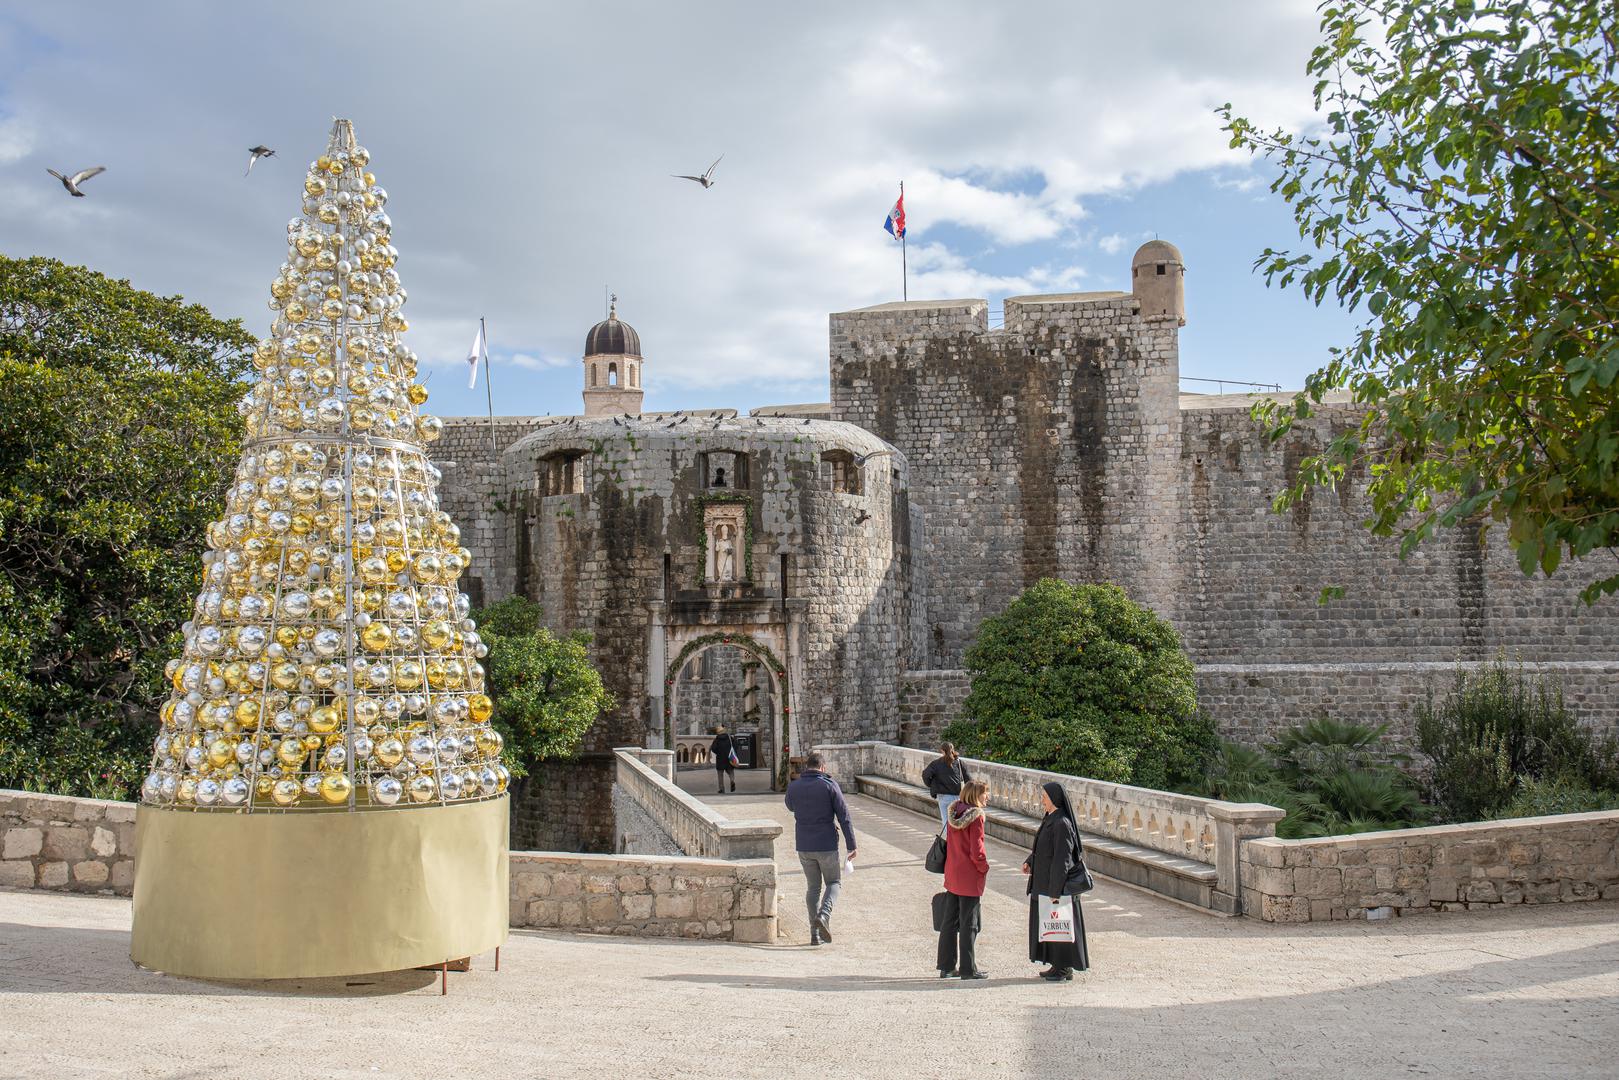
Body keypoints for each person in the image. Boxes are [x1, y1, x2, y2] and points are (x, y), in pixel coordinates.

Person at [784, 752, 857, 946]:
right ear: (823, 767)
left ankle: (814, 934)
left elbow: (790, 806)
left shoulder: (794, 786)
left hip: (804, 845)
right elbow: (844, 816)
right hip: (826, 844)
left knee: (813, 888)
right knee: (834, 882)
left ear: (807, 767)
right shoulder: (829, 785)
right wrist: (851, 845)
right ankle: (824, 915)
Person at [1022, 781, 1089, 981]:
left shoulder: (1062, 823)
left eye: (1044, 796)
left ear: (1053, 798)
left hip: (1054, 885)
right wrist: (1029, 862)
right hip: (1044, 882)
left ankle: (1063, 967)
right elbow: (1042, 849)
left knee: (1060, 924)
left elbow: (1062, 859)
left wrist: (1055, 890)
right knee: (1051, 925)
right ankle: (1056, 965)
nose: (1042, 799)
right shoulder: (1051, 819)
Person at [937, 780, 991, 980]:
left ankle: (946, 966)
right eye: (985, 793)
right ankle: (968, 968)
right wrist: (984, 866)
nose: (987, 797)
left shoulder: (954, 812)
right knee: (969, 923)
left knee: (949, 922)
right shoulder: (976, 817)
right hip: (968, 875)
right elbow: (977, 850)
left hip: (953, 873)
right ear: (976, 795)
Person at [921, 742, 972, 828]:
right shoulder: (959, 763)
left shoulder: (936, 763)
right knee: (958, 822)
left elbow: (925, 775)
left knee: (946, 823)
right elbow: (969, 780)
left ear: (942, 751)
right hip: (958, 797)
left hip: (944, 797)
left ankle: (949, 840)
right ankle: (956, 840)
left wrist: (931, 785)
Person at [710, 726, 736, 794]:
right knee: (730, 771)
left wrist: (718, 752)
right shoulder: (730, 738)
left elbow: (713, 748)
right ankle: (732, 780)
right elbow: (735, 746)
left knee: (720, 773)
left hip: (720, 758)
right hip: (729, 757)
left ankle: (721, 789)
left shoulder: (717, 739)